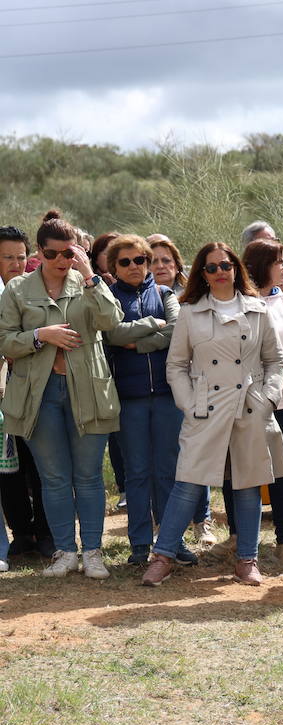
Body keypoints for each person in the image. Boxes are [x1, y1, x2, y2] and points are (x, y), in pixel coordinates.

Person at [141, 242, 283, 588]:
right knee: (188, 484)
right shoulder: (189, 312)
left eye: (226, 265)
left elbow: (276, 362)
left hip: (250, 407)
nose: (220, 272)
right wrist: (189, 403)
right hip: (206, 408)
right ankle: (162, 557)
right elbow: (176, 366)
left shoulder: (259, 309)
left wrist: (268, 398)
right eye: (212, 267)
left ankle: (247, 560)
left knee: (248, 485)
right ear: (202, 275)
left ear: (236, 269)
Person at [0, 211, 121, 578]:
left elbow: (111, 322)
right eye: (51, 254)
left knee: (87, 476)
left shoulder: (88, 282)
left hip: (88, 390)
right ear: (39, 251)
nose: (59, 262)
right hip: (38, 393)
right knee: (53, 477)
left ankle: (94, 552)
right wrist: (41, 336)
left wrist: (88, 275)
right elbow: (4, 340)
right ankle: (66, 552)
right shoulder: (18, 290)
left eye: (67, 254)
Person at [102, 234, 195, 567]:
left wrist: (136, 342)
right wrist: (147, 327)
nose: (133, 267)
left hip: (168, 396)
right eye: (125, 262)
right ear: (114, 266)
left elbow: (176, 330)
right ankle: (140, 543)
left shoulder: (165, 293)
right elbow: (112, 333)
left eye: (139, 260)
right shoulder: (108, 298)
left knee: (167, 471)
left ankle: (172, 541)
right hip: (130, 399)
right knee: (138, 474)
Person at [238, 238, 283, 571]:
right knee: (241, 469)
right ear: (262, 265)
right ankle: (239, 539)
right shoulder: (236, 303)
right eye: (279, 261)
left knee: (282, 472)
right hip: (243, 401)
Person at [0, 226, 54, 560]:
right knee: (9, 469)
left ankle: (47, 534)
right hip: (4, 395)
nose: (15, 263)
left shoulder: (37, 290)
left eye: (21, 257)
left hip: (39, 392)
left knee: (43, 465)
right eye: (7, 257)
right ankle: (21, 534)